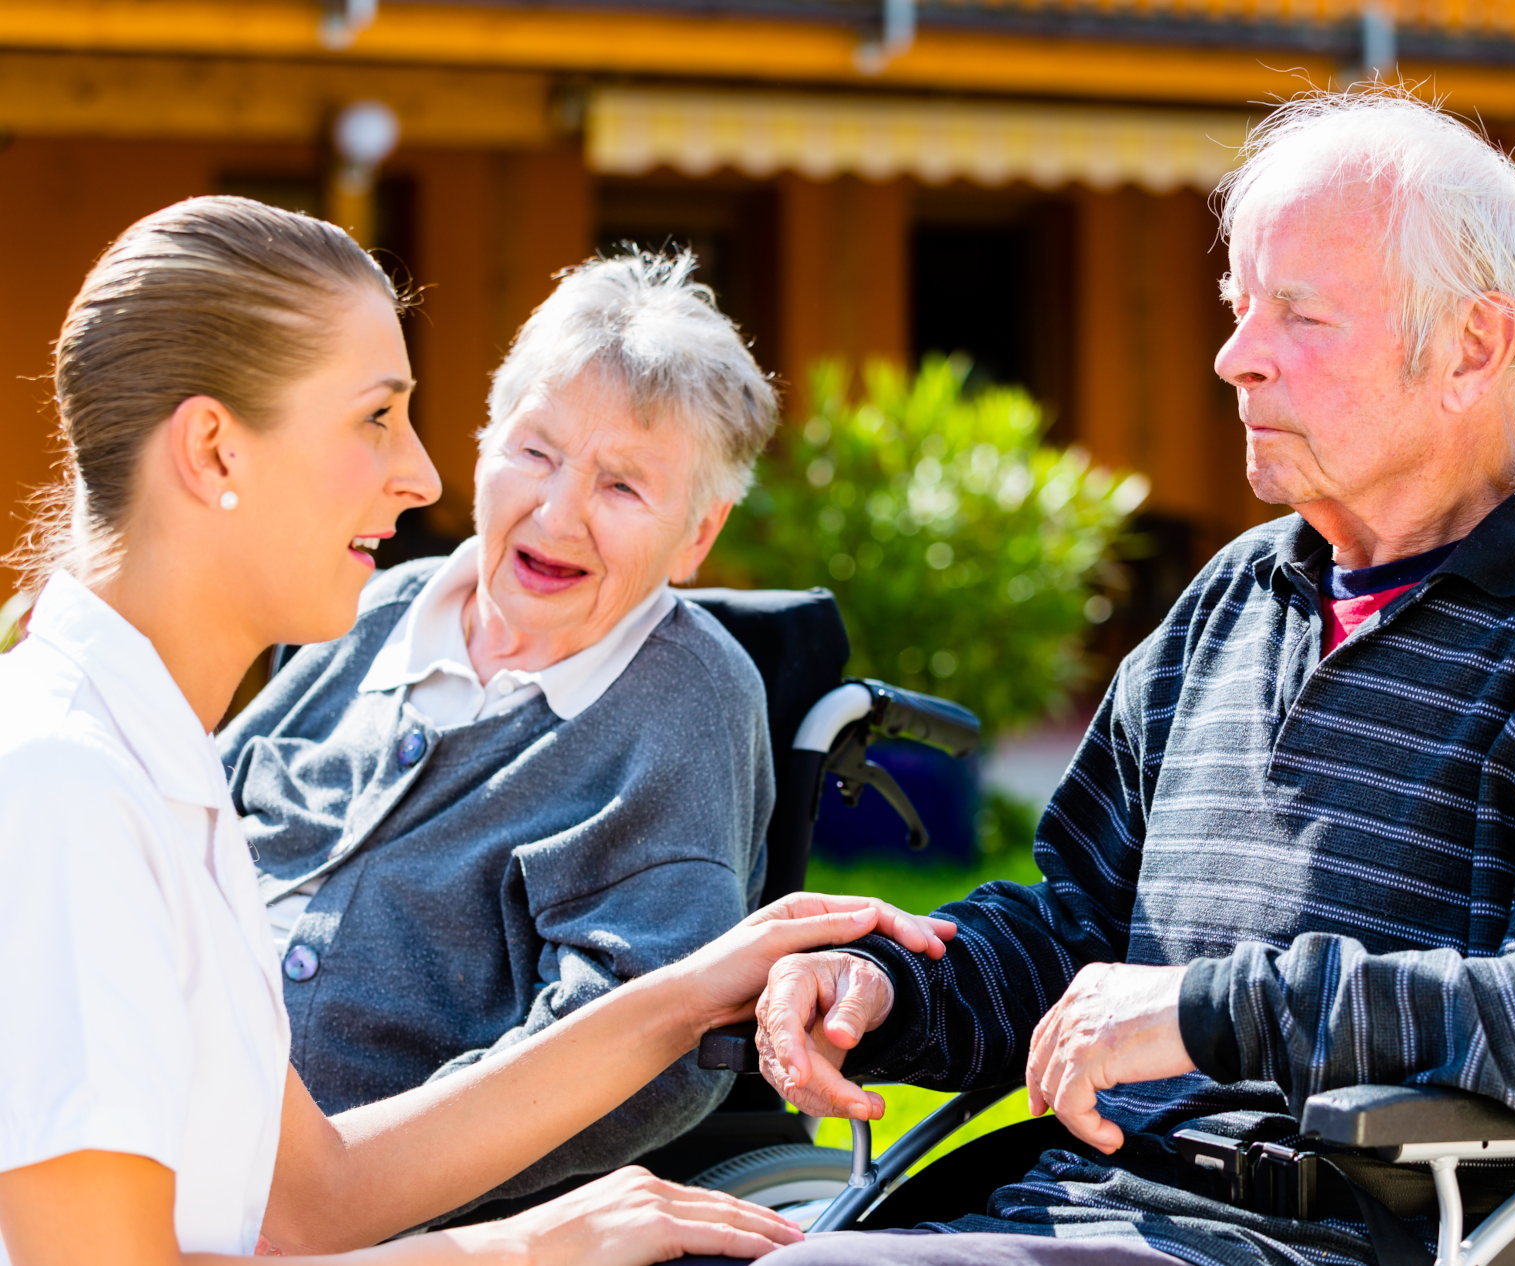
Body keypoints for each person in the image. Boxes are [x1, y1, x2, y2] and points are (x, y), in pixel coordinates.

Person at [741, 90, 1515, 1266]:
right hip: (1076, 1203)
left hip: (1313, 1236)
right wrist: (888, 991)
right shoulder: (1237, 594)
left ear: (1473, 346)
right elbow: (1078, 928)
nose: (1234, 358)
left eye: (1300, 318)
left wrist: (1214, 1009)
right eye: (1239, 309)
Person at [0, 196, 953, 1266]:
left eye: (624, 484)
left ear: (698, 534)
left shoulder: (150, 774)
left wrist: (685, 994)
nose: (426, 479)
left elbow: (311, 1193)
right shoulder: (75, 784)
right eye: (375, 418)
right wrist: (522, 1254)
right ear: (215, 452)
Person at [218, 248, 785, 1217]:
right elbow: (186, 827)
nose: (557, 512)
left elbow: (642, 1044)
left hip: (337, 1206)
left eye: (623, 487)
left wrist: (363, 1180)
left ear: (697, 535)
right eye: (536, 450)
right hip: (135, 1123)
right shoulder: (370, 606)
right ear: (481, 444)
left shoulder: (685, 703)